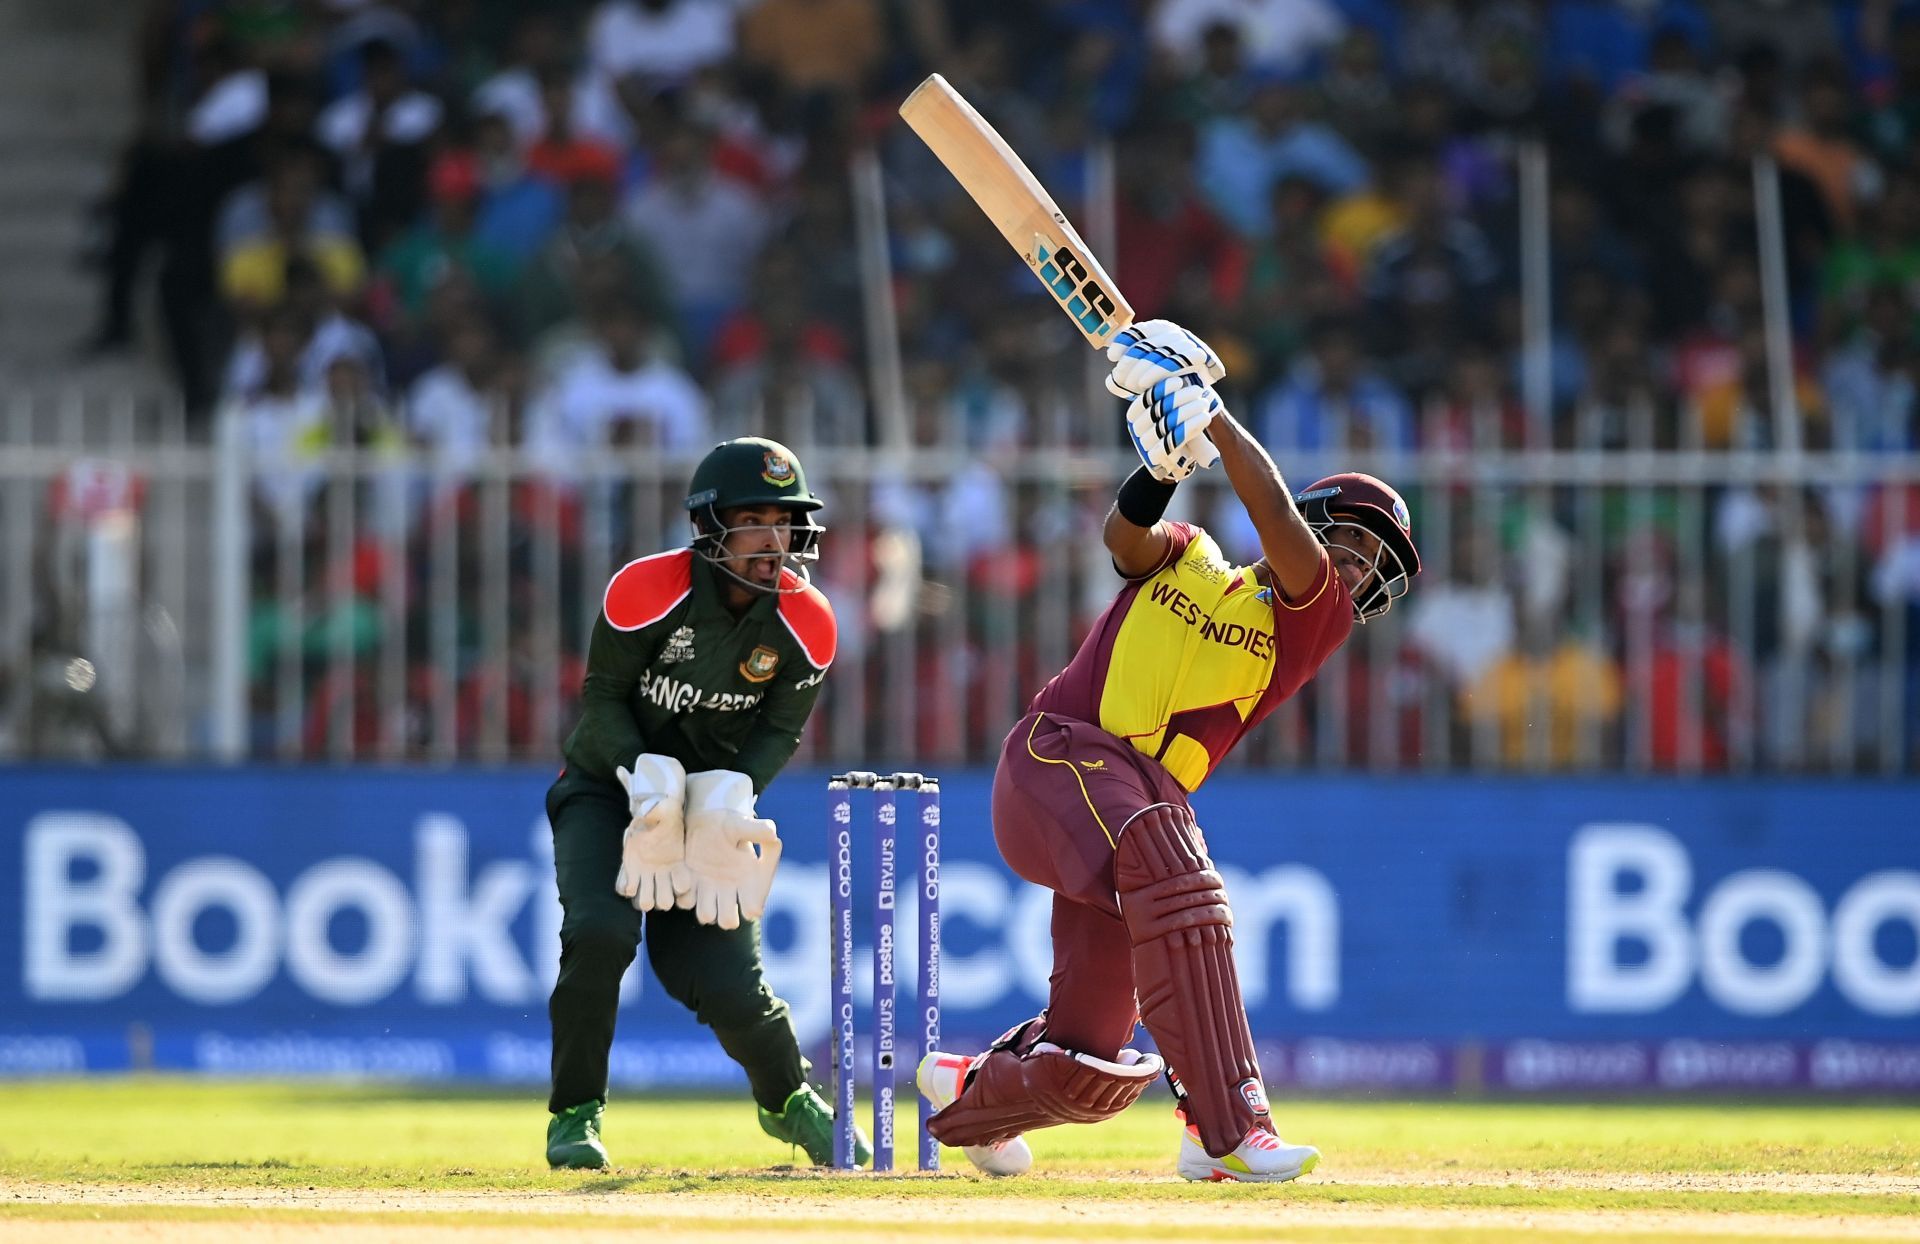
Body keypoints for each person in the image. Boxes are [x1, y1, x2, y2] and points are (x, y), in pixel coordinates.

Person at [914, 321, 1420, 1183]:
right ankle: (1223, 1127)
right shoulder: (1193, 556)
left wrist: (1215, 420)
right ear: (1322, 517)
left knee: (1091, 1062)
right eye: (1357, 538)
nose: (1360, 563)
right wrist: (1161, 471)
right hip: (1057, 762)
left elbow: (1276, 517)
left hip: (1132, 822)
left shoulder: (1311, 622)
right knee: (1173, 856)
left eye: (1376, 561)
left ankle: (969, 1094)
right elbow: (1126, 541)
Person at [543, 436, 871, 1170]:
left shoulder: (806, 620)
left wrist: (732, 795)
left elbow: (780, 731)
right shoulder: (645, 589)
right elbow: (600, 701)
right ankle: (575, 1114)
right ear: (709, 525)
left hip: (707, 810)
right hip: (606, 792)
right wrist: (644, 778)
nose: (772, 539)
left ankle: (789, 1101)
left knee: (726, 981)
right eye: (753, 518)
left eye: (784, 521)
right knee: (600, 935)